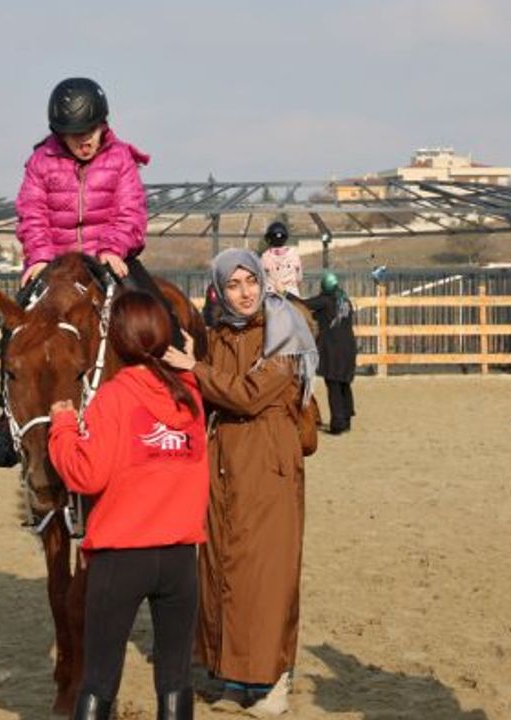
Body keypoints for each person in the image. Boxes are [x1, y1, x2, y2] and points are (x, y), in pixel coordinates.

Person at [0, 76, 178, 467]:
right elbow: (32, 212)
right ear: (59, 133)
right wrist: (39, 256)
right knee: (13, 325)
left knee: (155, 306)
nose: (83, 140)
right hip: (56, 265)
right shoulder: (41, 161)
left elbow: (131, 210)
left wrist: (114, 248)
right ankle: (6, 415)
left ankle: (179, 391)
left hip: (109, 256)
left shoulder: (121, 158)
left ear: (103, 124)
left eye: (88, 131)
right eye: (74, 134)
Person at [163, 248, 317, 716]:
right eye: (233, 285)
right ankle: (233, 678)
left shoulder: (285, 330)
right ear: (220, 290)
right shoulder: (215, 335)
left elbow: (251, 395)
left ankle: (273, 681)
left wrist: (196, 370)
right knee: (222, 568)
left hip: (269, 462)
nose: (245, 293)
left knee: (267, 574)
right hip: (223, 461)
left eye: (251, 281)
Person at [48, 292, 209, 720]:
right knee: (175, 679)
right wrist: (190, 363)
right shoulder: (190, 397)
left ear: (116, 342)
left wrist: (63, 427)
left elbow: (87, 475)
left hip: (122, 558)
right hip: (179, 559)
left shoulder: (115, 398)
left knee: (99, 679)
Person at [303, 272, 356, 434]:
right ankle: (346, 419)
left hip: (334, 348)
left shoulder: (326, 301)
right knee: (344, 383)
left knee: (333, 384)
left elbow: (305, 304)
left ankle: (338, 423)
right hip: (349, 347)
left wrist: (285, 294)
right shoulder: (345, 300)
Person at [260, 221, 303, 298]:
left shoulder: (265, 256)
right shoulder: (294, 254)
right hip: (291, 293)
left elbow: (261, 279)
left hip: (271, 294)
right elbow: (299, 278)